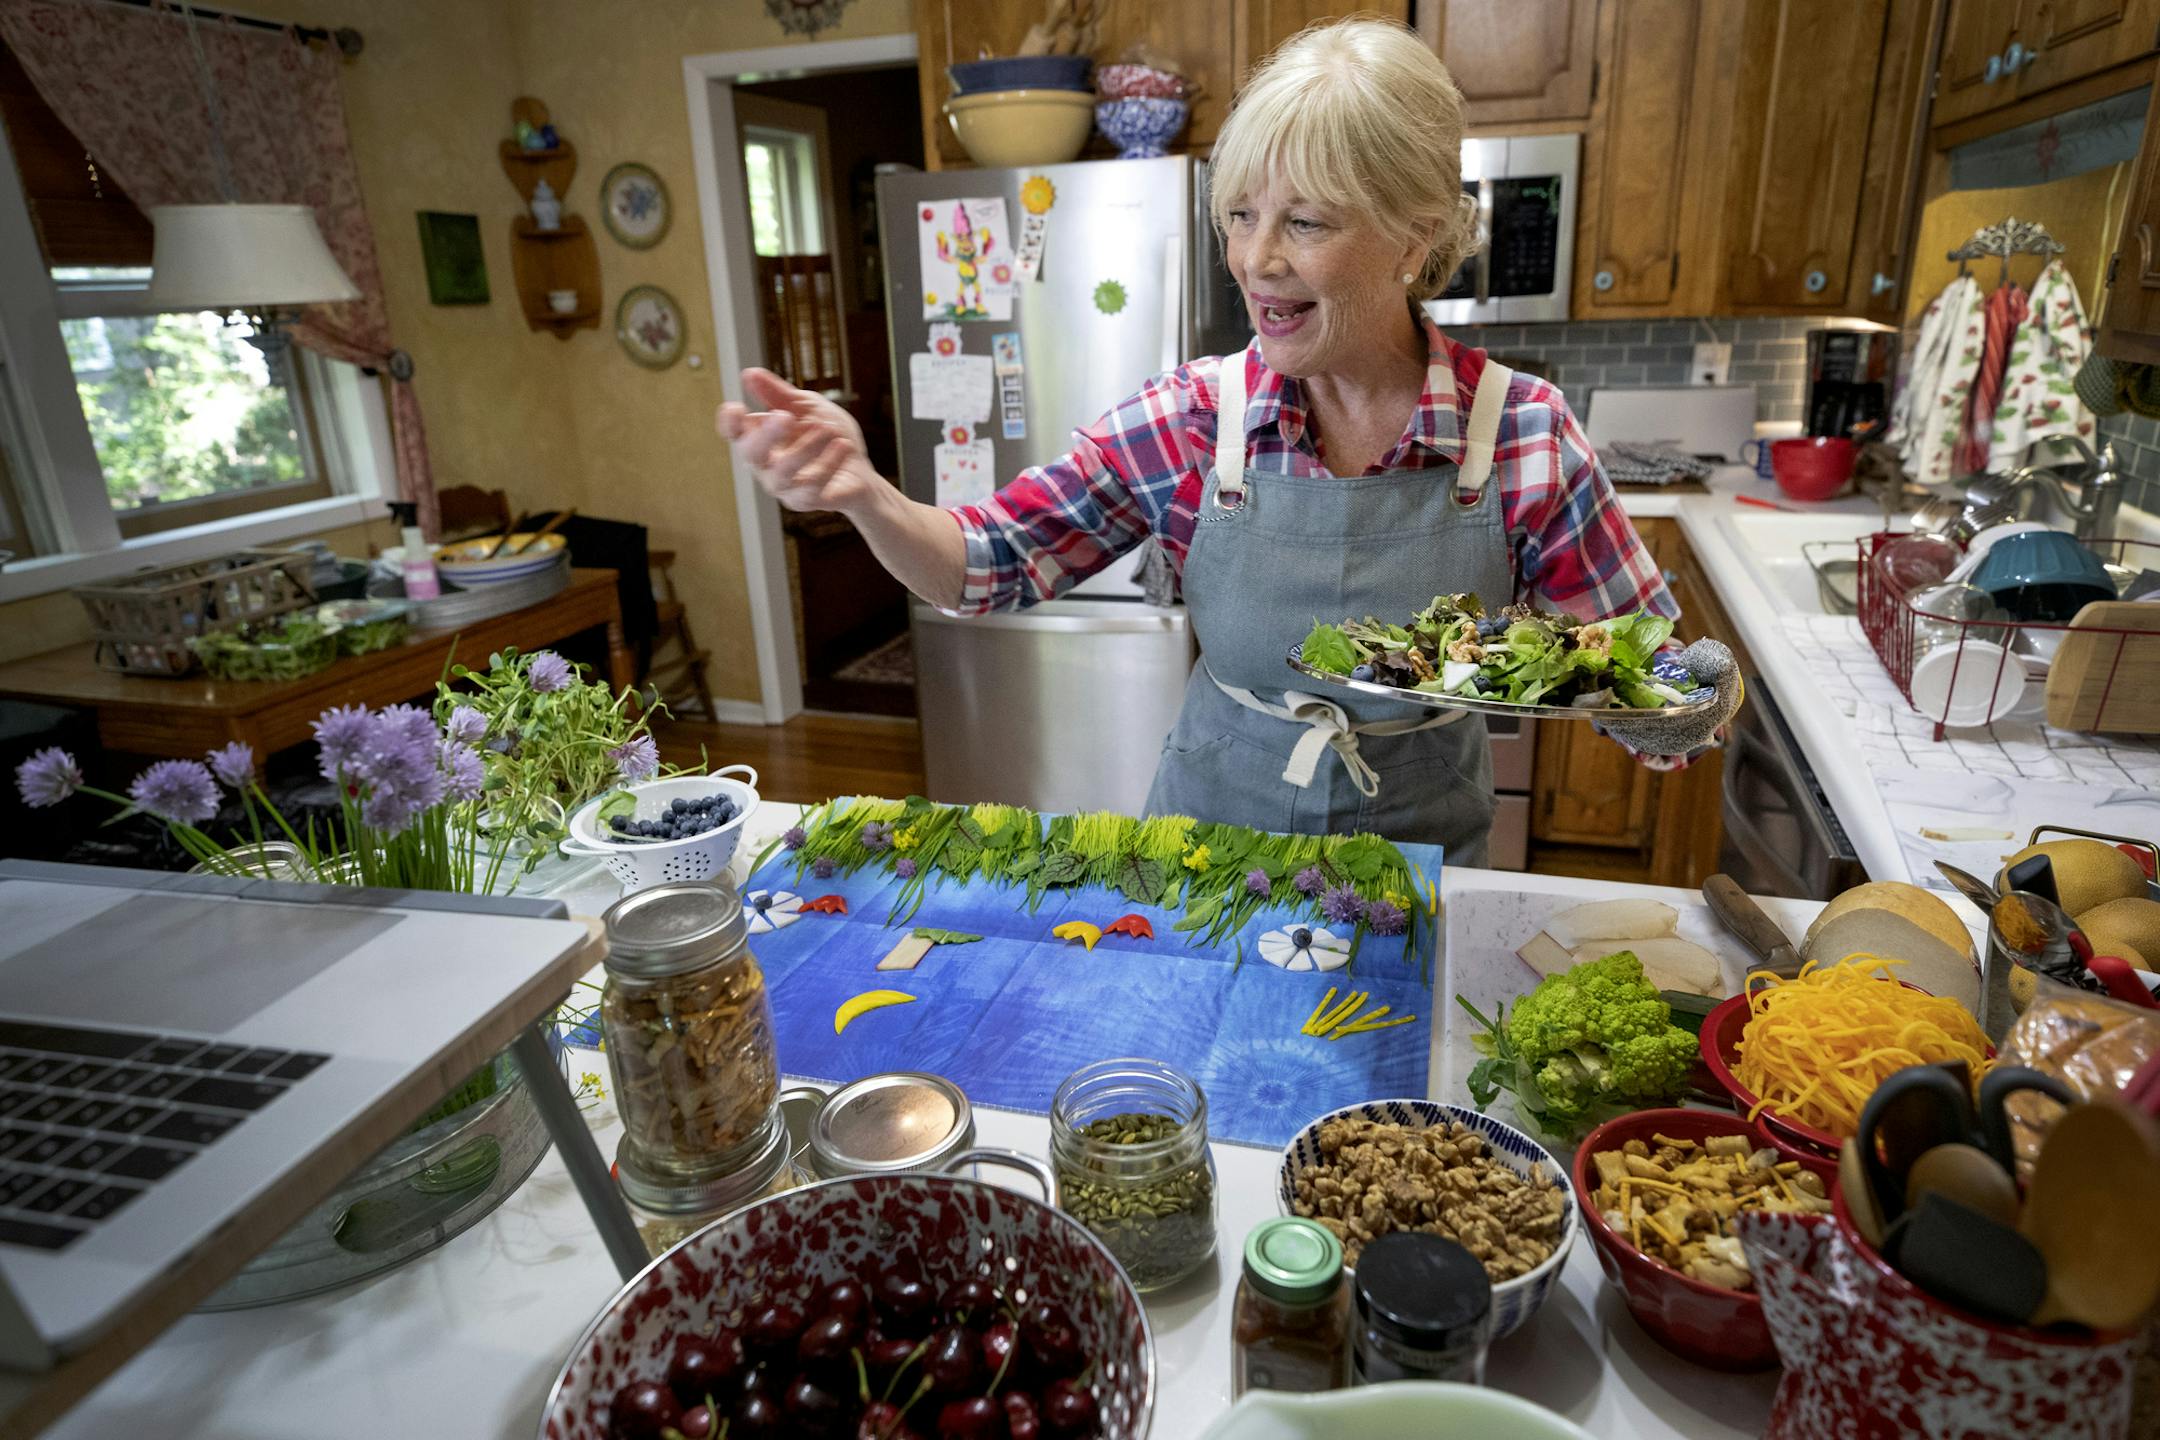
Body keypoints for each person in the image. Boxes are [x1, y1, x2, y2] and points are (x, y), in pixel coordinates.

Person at [717, 18, 1741, 867]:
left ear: (1414, 235)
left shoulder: (1519, 434)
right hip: (1208, 861)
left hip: (1425, 874)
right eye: (1241, 213)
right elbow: (983, 568)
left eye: (1305, 221)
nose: (1256, 260)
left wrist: (1688, 704)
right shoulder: (1194, 420)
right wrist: (865, 494)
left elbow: (1636, 690)